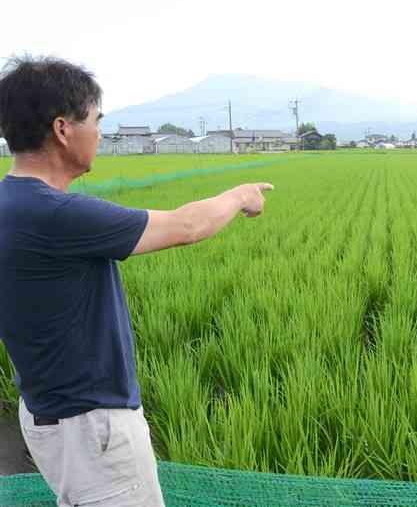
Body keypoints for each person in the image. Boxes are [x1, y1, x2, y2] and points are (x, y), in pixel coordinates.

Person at [0, 56, 273, 506]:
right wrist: (240, 194)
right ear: (63, 129)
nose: (100, 133)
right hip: (94, 430)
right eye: (96, 121)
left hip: (46, 416)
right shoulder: (55, 214)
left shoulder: (10, 203)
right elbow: (186, 227)